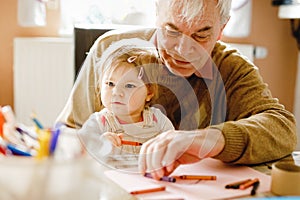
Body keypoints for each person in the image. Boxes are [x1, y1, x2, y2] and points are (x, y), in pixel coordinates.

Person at [56, 0, 297, 180]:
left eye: (201, 35)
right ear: (156, 15)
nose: (183, 49)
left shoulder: (231, 68)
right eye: (171, 31)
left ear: (221, 29)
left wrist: (212, 138)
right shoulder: (111, 49)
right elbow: (66, 132)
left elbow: (282, 128)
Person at [77, 39, 174, 166]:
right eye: (110, 84)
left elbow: (173, 147)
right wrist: (101, 146)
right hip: (110, 182)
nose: (116, 92)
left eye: (129, 86)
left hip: (148, 180)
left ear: (149, 92)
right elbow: (79, 158)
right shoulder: (98, 123)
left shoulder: (158, 121)